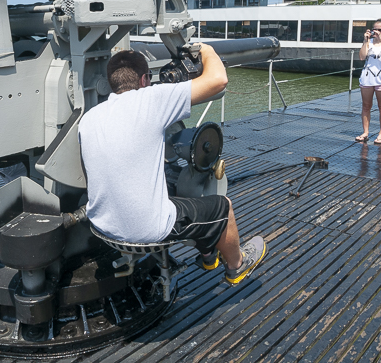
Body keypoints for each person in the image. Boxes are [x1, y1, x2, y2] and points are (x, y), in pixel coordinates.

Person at [78, 45, 267, 286]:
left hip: (102, 226)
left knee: (181, 201)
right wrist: (208, 51)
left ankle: (209, 257)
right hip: (144, 231)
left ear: (111, 82)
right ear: (145, 79)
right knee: (222, 207)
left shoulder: (89, 118)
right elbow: (218, 80)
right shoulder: (150, 99)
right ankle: (237, 266)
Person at [355, 19, 381, 145]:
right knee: (366, 106)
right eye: (375, 29)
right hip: (367, 77)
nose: (377, 32)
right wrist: (366, 41)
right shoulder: (369, 42)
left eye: (380, 29)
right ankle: (365, 132)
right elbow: (362, 57)